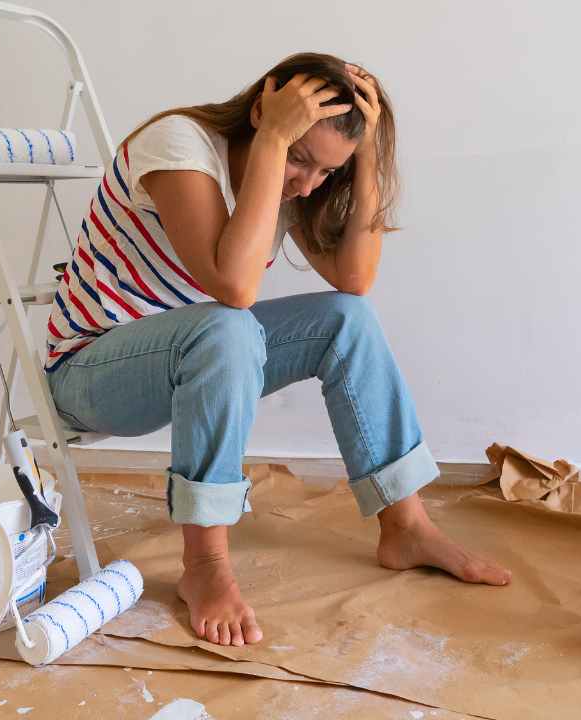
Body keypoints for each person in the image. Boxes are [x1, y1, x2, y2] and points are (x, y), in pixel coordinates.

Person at [44, 52, 511, 649]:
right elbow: (234, 287)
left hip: (192, 357)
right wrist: (273, 144)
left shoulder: (293, 184)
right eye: (300, 159)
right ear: (264, 110)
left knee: (346, 318)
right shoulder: (178, 145)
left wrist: (364, 156)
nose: (307, 184)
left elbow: (354, 280)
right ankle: (205, 566)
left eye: (326, 172)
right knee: (228, 324)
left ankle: (406, 525)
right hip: (89, 373)